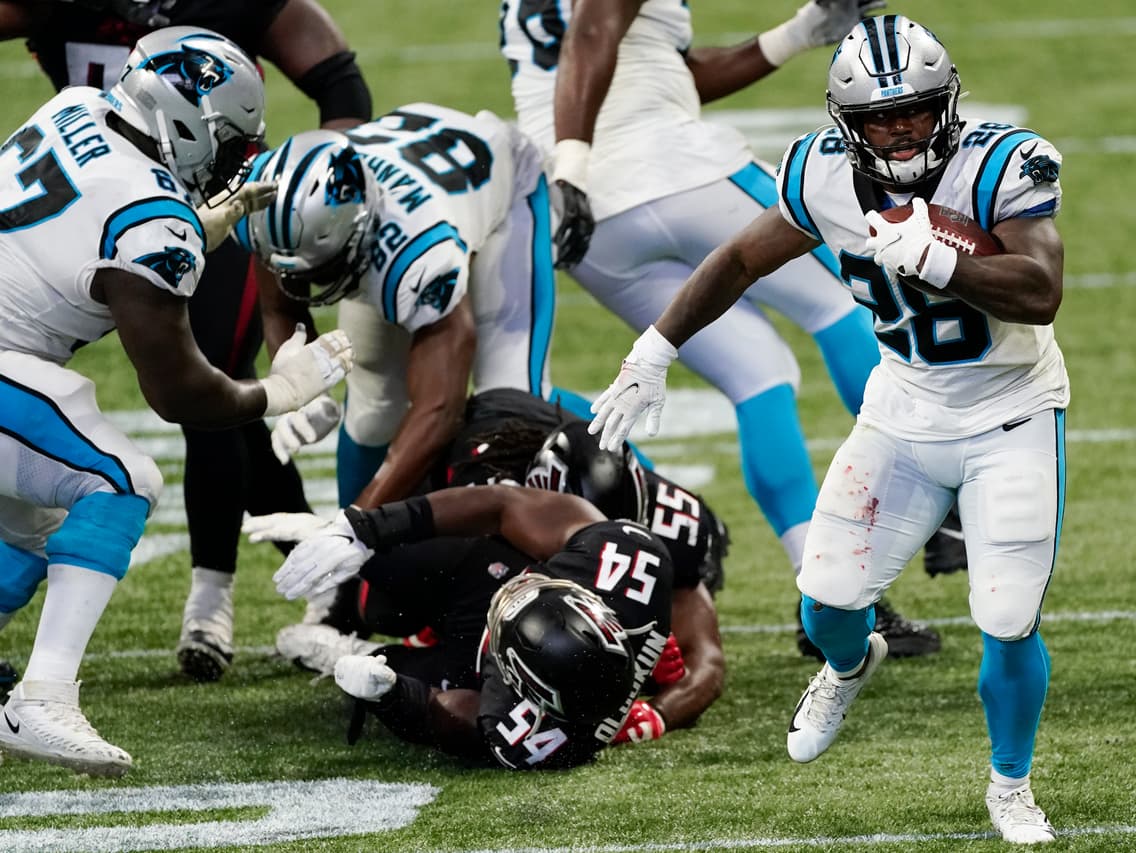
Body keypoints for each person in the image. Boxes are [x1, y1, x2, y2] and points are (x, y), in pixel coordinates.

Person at [589, 15, 1068, 844]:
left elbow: (1042, 289)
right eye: (880, 118)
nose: (901, 129)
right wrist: (653, 348)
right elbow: (740, 259)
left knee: (1006, 614)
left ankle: (1011, 783)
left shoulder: (1000, 165)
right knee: (825, 604)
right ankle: (851, 665)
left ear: (945, 103)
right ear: (848, 126)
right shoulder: (822, 174)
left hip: (1009, 410)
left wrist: (947, 262)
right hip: (903, 407)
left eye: (915, 110)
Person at [499, 0, 945, 658]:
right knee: (849, 303)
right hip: (664, 169)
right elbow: (593, 28)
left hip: (590, 219)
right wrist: (572, 163)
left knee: (760, 375)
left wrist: (797, 34)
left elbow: (663, 70)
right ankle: (940, 487)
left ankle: (826, 597)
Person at [0, 26, 353, 776]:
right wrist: (280, 390)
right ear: (182, 121)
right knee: (122, 480)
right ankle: (44, 696)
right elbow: (180, 393)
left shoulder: (80, 105)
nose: (235, 160)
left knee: (35, 521)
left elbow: (78, 224)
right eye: (228, 141)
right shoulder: (151, 221)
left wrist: (197, 224)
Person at [252, 389, 727, 740]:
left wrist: (657, 711)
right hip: (481, 555)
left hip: (537, 608)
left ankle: (361, 652)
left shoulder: (649, 544)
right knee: (381, 602)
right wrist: (363, 527)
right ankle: (346, 603)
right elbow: (491, 507)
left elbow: (707, 660)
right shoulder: (493, 454)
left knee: (461, 672)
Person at [240, 109, 555, 519]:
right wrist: (301, 389)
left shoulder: (420, 254)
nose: (311, 282)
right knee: (372, 403)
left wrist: (356, 526)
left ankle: (638, 483)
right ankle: (357, 578)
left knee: (512, 408)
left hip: (504, 192)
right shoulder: (273, 203)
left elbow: (441, 409)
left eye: (322, 268)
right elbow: (281, 304)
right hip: (409, 169)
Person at [262, 484, 675, 770]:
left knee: (386, 670)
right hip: (486, 573)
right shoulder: (634, 562)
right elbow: (503, 503)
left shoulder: (539, 738)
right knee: (395, 574)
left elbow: (439, 716)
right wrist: (367, 529)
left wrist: (390, 696)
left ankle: (345, 651)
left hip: (471, 669)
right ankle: (351, 578)